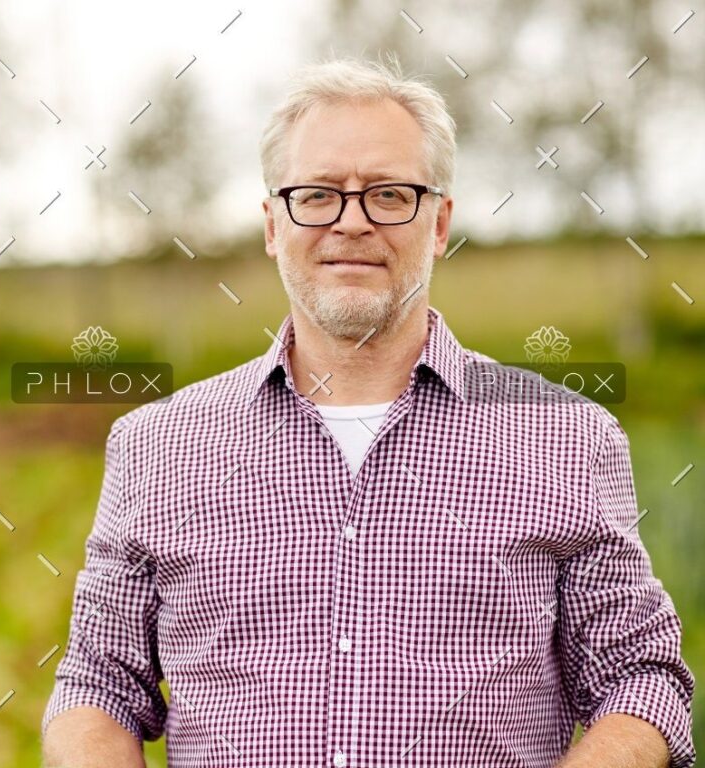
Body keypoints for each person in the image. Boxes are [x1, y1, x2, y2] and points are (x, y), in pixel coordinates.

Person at [41, 55, 696, 768]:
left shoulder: (566, 435)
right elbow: (99, 685)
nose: (351, 222)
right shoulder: (155, 444)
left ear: (439, 223)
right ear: (272, 224)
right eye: (317, 194)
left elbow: (640, 677)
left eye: (388, 194)